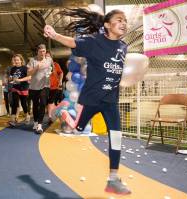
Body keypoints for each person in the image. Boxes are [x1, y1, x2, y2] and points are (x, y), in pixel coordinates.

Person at [44, 9, 131, 194]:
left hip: (110, 101)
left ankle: (113, 179)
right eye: (119, 20)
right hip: (91, 99)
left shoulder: (124, 47)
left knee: (116, 138)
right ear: (107, 25)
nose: (123, 23)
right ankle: (61, 111)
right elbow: (72, 42)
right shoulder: (94, 42)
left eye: (125, 20)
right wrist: (54, 34)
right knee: (77, 129)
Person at [27, 44, 53, 134]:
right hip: (34, 87)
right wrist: (37, 67)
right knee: (35, 105)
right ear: (37, 52)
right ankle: (35, 122)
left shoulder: (49, 60)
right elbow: (29, 73)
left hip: (45, 85)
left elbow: (51, 68)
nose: (42, 53)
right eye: (41, 51)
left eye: (44, 51)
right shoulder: (32, 60)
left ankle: (40, 125)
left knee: (42, 103)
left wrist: (50, 72)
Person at [8, 54, 31, 126]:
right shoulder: (12, 69)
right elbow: (11, 77)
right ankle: (13, 120)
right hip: (15, 88)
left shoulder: (25, 68)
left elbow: (29, 77)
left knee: (24, 104)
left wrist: (20, 80)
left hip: (24, 88)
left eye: (18, 60)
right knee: (14, 103)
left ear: (21, 60)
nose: (16, 61)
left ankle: (27, 116)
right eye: (15, 60)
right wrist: (10, 79)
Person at [46, 51, 63, 125]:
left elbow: (61, 72)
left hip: (54, 86)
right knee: (46, 102)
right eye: (45, 56)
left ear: (51, 57)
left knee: (50, 101)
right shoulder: (42, 65)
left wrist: (60, 81)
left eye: (48, 56)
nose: (47, 58)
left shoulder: (55, 64)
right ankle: (52, 112)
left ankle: (49, 117)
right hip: (44, 86)